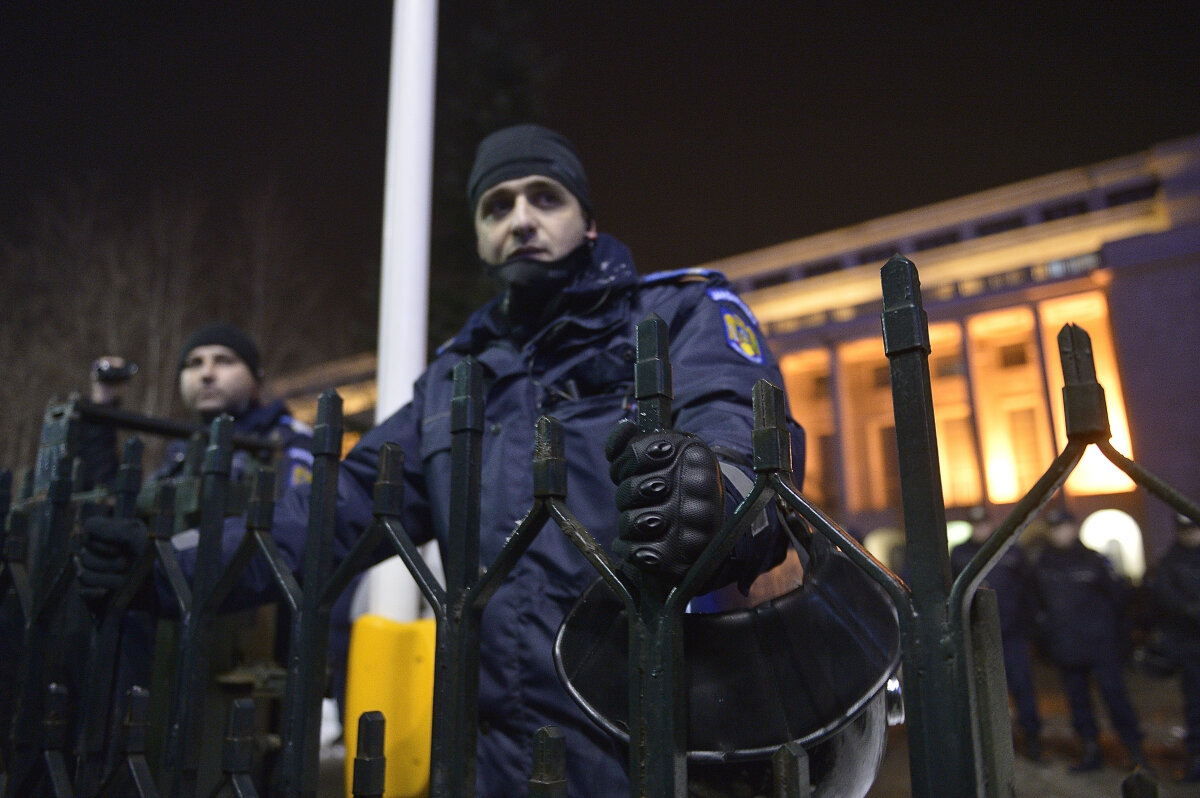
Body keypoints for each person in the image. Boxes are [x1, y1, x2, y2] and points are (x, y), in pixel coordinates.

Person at [80, 124, 799, 797]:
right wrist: (170, 565)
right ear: (482, 238)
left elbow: (741, 437)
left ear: (588, 221)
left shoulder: (679, 315)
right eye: (497, 206)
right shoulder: (456, 380)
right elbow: (331, 513)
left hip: (667, 742)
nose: (521, 219)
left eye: (545, 198)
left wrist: (714, 495)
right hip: (497, 757)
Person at [1030, 508, 1146, 771]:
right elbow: (1035, 604)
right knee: (1078, 703)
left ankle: (1135, 751)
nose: (1059, 534)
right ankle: (1090, 751)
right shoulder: (1042, 564)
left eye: (1063, 527)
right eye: (1054, 529)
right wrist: (1046, 638)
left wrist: (1121, 639)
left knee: (1116, 699)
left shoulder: (1094, 561)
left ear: (1073, 528)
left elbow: (1119, 600)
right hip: (1067, 647)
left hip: (1100, 646)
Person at [950, 506, 1043, 762]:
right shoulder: (960, 553)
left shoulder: (1010, 550)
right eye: (976, 524)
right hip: (976, 634)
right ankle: (990, 742)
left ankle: (1032, 738)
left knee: (1022, 685)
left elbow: (1028, 589)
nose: (980, 529)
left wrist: (1031, 625)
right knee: (983, 689)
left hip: (1013, 633)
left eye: (983, 524)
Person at [1148, 513, 1200, 782]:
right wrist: (1190, 610)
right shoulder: (1170, 560)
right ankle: (1197, 757)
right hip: (1190, 645)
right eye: (1184, 530)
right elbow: (1165, 597)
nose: (1189, 534)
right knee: (1195, 705)